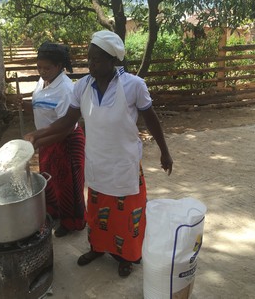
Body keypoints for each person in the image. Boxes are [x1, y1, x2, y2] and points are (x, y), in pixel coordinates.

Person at [25, 31, 173, 277]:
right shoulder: (82, 86)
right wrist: (36, 136)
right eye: (89, 59)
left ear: (113, 60)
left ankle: (126, 256)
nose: (90, 64)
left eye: (97, 60)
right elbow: (67, 122)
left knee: (127, 214)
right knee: (96, 211)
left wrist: (164, 152)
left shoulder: (134, 85)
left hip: (123, 161)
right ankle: (98, 248)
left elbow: (152, 120)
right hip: (96, 159)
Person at [21, 41, 86, 237]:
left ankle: (72, 223)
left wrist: (38, 139)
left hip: (66, 141)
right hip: (48, 139)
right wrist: (24, 105)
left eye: (47, 68)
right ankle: (54, 213)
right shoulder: (43, 81)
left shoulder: (65, 89)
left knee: (67, 185)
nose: (42, 71)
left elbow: (66, 125)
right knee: (50, 180)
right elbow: (43, 106)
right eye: (39, 67)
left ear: (59, 66)